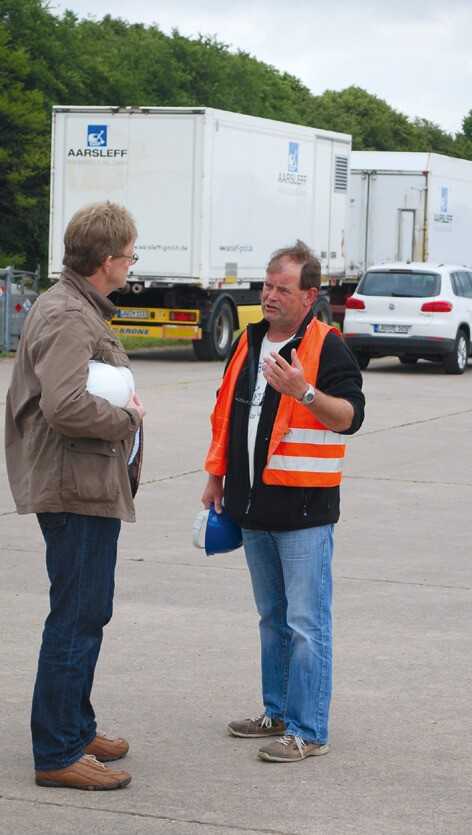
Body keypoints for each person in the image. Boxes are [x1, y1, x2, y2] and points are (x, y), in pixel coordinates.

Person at [202, 241, 365, 763]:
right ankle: (275, 712)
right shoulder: (249, 342)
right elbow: (227, 414)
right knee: (272, 618)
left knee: (306, 625)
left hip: (304, 513)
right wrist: (216, 476)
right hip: (252, 508)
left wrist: (304, 391)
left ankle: (308, 729)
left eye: (282, 289)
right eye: (267, 285)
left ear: (310, 295)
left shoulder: (326, 346)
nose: (269, 296)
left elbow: (350, 417)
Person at [5, 202, 145, 790]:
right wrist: (125, 418)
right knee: (76, 618)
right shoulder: (67, 314)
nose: (133, 262)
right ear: (108, 260)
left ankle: (75, 725)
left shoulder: (75, 306)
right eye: (131, 254)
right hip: (74, 486)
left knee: (88, 611)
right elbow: (63, 405)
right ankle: (58, 752)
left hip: (85, 482)